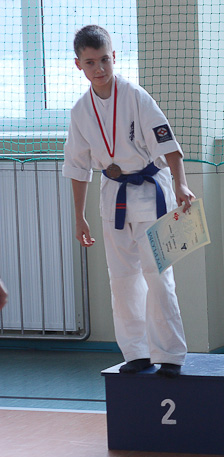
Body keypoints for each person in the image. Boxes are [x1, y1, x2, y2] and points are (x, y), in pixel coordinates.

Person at [63, 25, 194, 378]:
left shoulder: (136, 95)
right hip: (113, 195)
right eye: (90, 62)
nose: (99, 68)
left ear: (114, 57)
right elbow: (77, 167)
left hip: (152, 191)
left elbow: (168, 143)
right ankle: (136, 352)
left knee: (158, 275)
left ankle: (169, 354)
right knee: (121, 278)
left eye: (104, 60)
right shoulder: (80, 111)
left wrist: (181, 185)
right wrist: (79, 216)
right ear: (78, 65)